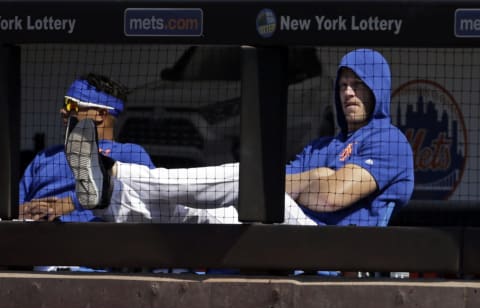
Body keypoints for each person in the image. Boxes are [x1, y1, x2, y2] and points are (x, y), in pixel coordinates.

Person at [65, 48, 415, 227]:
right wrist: (315, 177)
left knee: (243, 179)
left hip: (334, 245)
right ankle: (108, 200)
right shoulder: (322, 146)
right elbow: (296, 185)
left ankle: (114, 173)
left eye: (358, 85)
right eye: (342, 85)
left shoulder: (389, 140)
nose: (348, 93)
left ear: (377, 88)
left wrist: (306, 183)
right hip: (291, 227)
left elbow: (332, 197)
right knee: (188, 214)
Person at [19, 73, 155, 222]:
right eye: (64, 103)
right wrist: (26, 210)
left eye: (71, 105)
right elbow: (13, 206)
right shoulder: (45, 156)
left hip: (94, 239)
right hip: (35, 235)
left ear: (100, 114)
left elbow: (153, 204)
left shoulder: (130, 154)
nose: (63, 111)